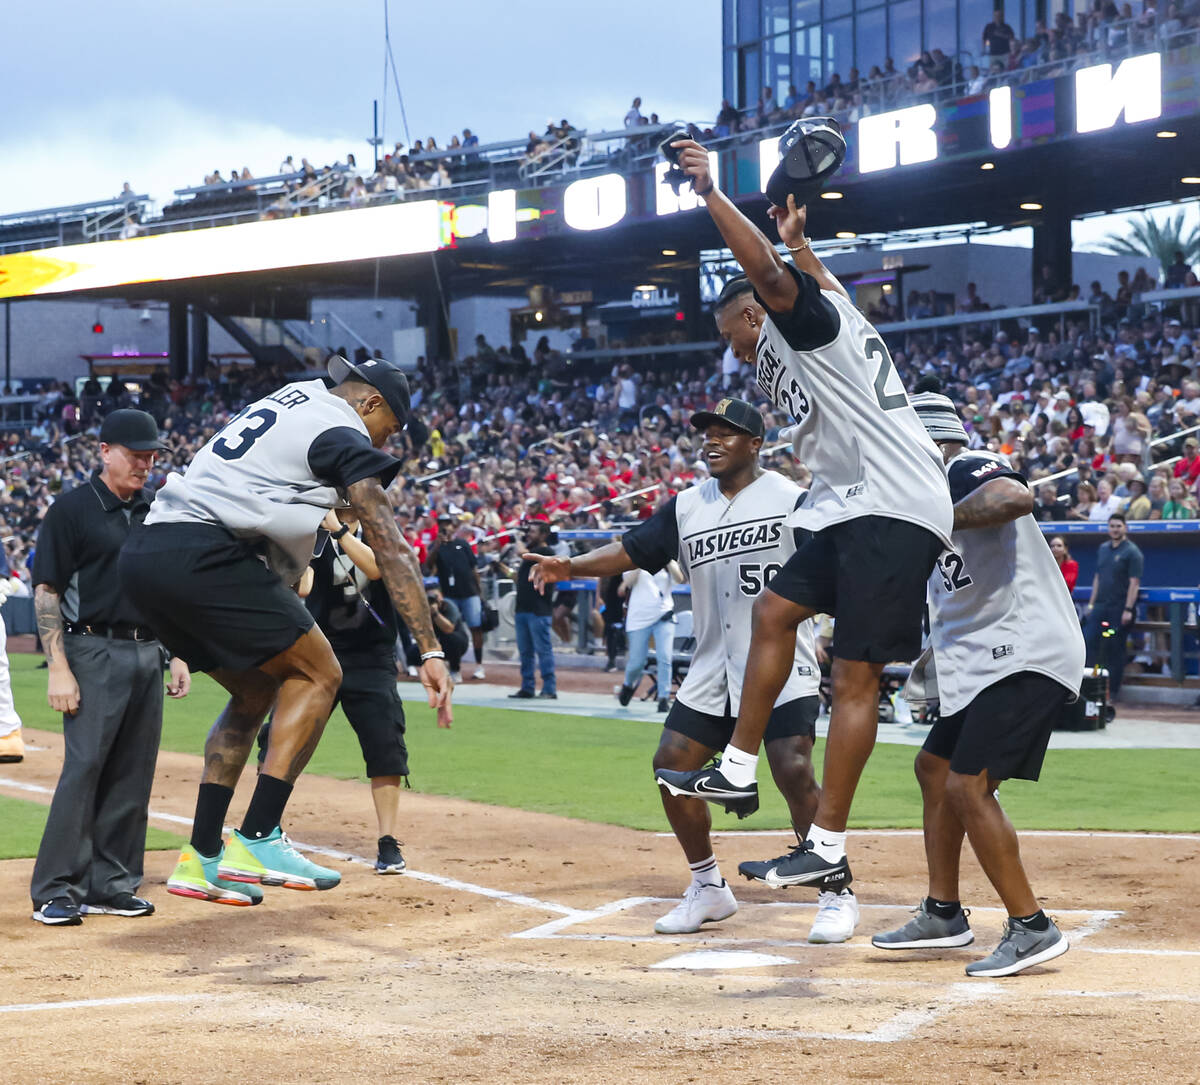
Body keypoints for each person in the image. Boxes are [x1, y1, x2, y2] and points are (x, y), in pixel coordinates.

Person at [654, 137, 953, 898]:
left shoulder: (803, 323)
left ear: (761, 309)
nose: (737, 350)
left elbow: (770, 277)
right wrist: (803, 243)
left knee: (855, 676)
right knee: (777, 608)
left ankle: (824, 841)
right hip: (855, 503)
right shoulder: (831, 309)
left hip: (895, 499)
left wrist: (711, 195)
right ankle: (738, 761)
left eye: (738, 332)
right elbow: (807, 277)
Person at [118, 356, 451, 907]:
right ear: (370, 403)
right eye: (387, 430)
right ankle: (257, 836)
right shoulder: (338, 429)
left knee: (255, 691)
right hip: (205, 552)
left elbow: (278, 493)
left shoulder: (291, 398)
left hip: (150, 555)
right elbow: (388, 541)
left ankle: (201, 857)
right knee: (322, 673)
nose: (383, 444)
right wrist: (431, 649)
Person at [526, 398, 856, 944]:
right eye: (707, 432)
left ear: (755, 444)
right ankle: (708, 887)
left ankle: (836, 892)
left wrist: (831, 632)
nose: (713, 440)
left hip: (782, 664)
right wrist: (571, 566)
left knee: (791, 767)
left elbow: (834, 572)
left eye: (728, 432)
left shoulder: (792, 500)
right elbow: (631, 549)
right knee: (671, 766)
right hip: (710, 665)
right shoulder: (685, 507)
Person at [871, 393, 1083, 977]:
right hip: (983, 658)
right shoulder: (916, 496)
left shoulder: (961, 467)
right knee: (933, 769)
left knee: (968, 785)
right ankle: (943, 912)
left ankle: (1032, 926)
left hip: (1026, 649)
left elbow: (1015, 496)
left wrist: (934, 515)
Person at [30, 409, 192, 926]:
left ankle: (112, 883)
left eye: (150, 456)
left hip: (147, 651)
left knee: (133, 772)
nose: (144, 464)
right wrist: (58, 666)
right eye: (134, 455)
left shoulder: (155, 509)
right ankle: (57, 888)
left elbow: (164, 588)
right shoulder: (72, 509)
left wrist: (177, 652)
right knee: (84, 770)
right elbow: (47, 590)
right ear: (104, 451)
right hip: (90, 650)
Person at [257, 503, 448, 875]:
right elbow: (303, 586)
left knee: (385, 745)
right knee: (279, 738)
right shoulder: (310, 536)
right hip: (318, 655)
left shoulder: (380, 534)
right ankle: (265, 828)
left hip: (372, 658)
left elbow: (377, 569)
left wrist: (340, 533)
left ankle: (388, 842)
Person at [1082, 512, 1143, 710]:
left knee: (1115, 649)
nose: (1115, 529)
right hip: (1100, 606)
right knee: (1089, 642)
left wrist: (1128, 609)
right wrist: (1091, 604)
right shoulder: (1103, 549)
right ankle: (1087, 688)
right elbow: (1098, 578)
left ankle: (1112, 691)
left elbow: (1134, 583)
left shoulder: (1132, 552)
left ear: (1125, 528)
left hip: (1119, 608)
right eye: (1112, 526)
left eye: (1118, 526)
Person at [617, 558, 680, 713]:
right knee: (636, 662)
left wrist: (668, 562)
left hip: (664, 614)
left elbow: (680, 579)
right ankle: (628, 683)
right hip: (639, 616)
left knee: (665, 657)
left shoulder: (666, 561)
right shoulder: (634, 558)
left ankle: (663, 698)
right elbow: (628, 582)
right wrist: (641, 562)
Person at [427, 514, 485, 680]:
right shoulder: (436, 546)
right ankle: (455, 668)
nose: (445, 527)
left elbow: (474, 569)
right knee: (452, 630)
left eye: (448, 524)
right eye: (442, 524)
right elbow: (428, 565)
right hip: (450, 595)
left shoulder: (463, 544)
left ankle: (479, 665)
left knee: (476, 628)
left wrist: (480, 593)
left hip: (469, 593)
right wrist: (437, 546)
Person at [506, 520, 557, 699]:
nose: (529, 534)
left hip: (538, 609)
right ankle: (527, 687)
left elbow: (522, 553)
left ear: (544, 535)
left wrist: (517, 538)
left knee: (543, 650)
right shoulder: (531, 555)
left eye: (533, 532)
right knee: (525, 651)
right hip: (524, 608)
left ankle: (549, 688)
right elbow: (519, 579)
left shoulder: (545, 553)